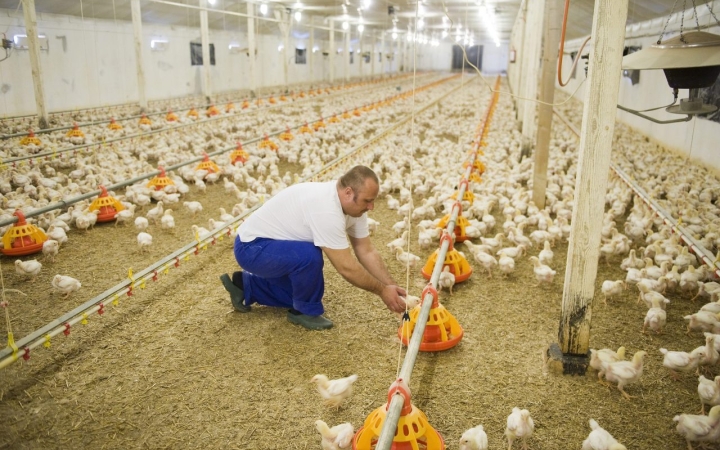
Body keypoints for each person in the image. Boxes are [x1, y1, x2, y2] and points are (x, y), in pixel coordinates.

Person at [220, 165, 407, 330]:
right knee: (309, 257)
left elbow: (366, 251)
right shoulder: (326, 209)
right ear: (348, 192)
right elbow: (346, 267)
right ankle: (303, 312)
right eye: (368, 201)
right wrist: (382, 291)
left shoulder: (354, 208)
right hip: (251, 247)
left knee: (299, 288)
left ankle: (245, 286)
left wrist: (391, 285)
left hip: (272, 245)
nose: (372, 206)